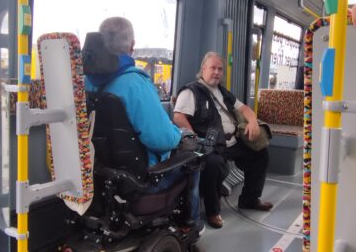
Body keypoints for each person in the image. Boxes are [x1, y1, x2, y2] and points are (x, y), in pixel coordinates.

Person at [84, 17, 202, 231]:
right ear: (132, 46)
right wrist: (180, 134)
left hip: (97, 175)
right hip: (139, 182)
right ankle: (189, 224)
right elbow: (162, 140)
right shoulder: (135, 84)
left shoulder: (84, 83)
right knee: (194, 160)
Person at [174, 52, 273, 229]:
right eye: (213, 68)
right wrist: (195, 138)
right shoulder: (191, 91)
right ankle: (213, 211)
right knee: (212, 164)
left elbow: (244, 108)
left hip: (232, 142)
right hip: (209, 144)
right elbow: (179, 117)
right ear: (203, 69)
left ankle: (249, 199)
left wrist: (252, 121)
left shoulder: (223, 92)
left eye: (220, 69)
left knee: (260, 154)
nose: (217, 72)